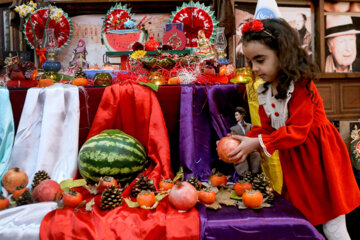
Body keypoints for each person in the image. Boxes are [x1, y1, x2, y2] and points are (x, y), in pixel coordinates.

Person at [229, 18, 360, 240]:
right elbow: (267, 130)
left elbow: (298, 130)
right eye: (251, 61)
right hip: (297, 165)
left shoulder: (301, 85)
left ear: (283, 54)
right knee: (301, 221)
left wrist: (257, 143)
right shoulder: (265, 92)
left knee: (333, 226)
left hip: (321, 162)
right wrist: (242, 141)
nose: (254, 68)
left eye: (260, 60)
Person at [230, 106, 261, 177]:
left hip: (251, 147)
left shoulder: (250, 126)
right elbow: (233, 139)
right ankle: (245, 176)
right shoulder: (233, 128)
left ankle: (255, 174)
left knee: (256, 155)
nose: (236, 117)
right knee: (240, 159)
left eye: (237, 115)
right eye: (235, 115)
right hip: (240, 147)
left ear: (242, 115)